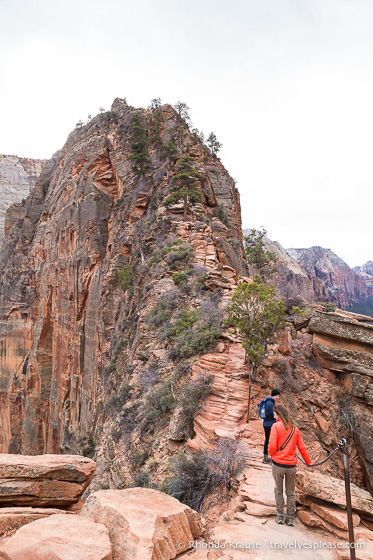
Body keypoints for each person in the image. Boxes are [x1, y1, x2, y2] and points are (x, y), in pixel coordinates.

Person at [268, 404, 311, 527]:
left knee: (278, 490)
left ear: (279, 414)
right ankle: (290, 517)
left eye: (275, 414)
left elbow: (271, 446)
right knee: (290, 493)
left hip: (278, 464)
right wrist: (307, 462)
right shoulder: (295, 429)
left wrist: (272, 454)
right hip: (291, 466)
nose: (274, 417)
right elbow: (302, 447)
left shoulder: (276, 426)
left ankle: (280, 515)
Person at [262, 389, 281, 464]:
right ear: (273, 395)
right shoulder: (270, 404)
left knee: (268, 440)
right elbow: (271, 415)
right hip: (270, 424)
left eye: (278, 396)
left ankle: (266, 457)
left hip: (266, 424)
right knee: (271, 441)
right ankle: (268, 458)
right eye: (277, 396)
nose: (278, 397)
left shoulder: (269, 402)